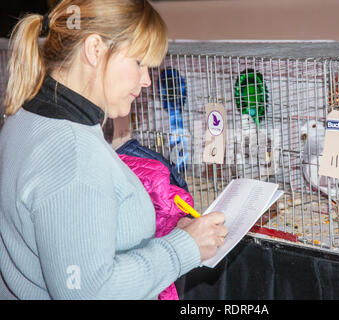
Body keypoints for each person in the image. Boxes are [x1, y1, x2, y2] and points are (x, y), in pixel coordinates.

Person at [0, 0, 227, 300]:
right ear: (95, 50)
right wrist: (183, 248)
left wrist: (176, 235)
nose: (146, 80)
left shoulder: (25, 116)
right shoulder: (74, 154)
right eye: (138, 63)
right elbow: (87, 292)